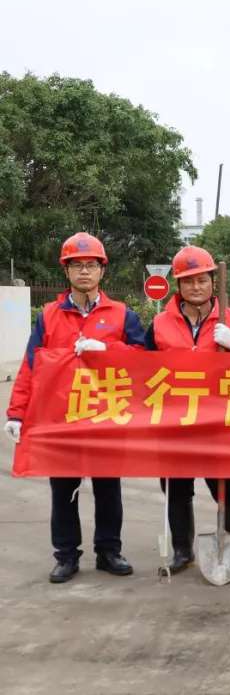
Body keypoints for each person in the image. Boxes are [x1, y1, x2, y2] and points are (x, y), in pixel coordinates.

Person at [4, 232, 146, 583]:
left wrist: (108, 350)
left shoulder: (122, 315)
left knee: (108, 489)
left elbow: (145, 360)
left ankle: (109, 551)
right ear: (66, 271)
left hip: (106, 418)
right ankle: (66, 555)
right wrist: (16, 412)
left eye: (91, 265)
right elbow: (31, 365)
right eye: (77, 265)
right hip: (62, 418)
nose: (84, 271)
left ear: (102, 270)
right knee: (64, 490)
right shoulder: (49, 316)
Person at [144, 245, 230, 574]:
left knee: (229, 490)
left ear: (212, 282)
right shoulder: (160, 324)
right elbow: (140, 368)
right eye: (189, 281)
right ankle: (182, 551)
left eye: (203, 280)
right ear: (178, 285)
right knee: (176, 487)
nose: (196, 287)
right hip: (175, 423)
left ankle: (229, 550)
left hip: (220, 422)